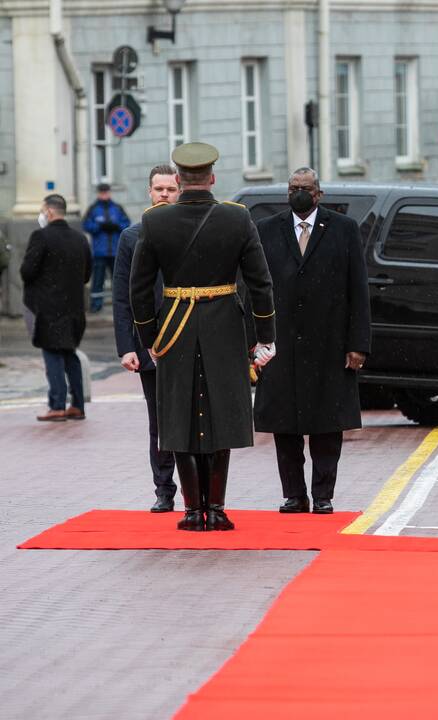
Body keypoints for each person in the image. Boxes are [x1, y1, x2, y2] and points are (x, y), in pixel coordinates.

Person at [130, 142, 276, 531]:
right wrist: (265, 335)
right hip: (225, 325)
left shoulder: (155, 222)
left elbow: (139, 288)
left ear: (178, 180)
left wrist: (148, 336)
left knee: (179, 415)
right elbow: (261, 283)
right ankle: (219, 508)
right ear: (212, 178)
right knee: (222, 414)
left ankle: (194, 510)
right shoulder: (237, 218)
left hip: (174, 326)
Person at [253, 167, 371, 515]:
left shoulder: (343, 229)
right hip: (281, 344)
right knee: (284, 425)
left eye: (304, 188)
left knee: (326, 424)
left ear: (318, 194)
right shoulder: (267, 229)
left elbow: (358, 289)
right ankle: (294, 494)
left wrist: (358, 343)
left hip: (329, 343)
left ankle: (323, 494)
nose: (298, 194)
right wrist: (255, 340)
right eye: (292, 188)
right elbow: (255, 289)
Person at [113, 165, 180, 512]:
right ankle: (163, 489)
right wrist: (127, 346)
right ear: (149, 192)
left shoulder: (192, 232)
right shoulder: (131, 237)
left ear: (180, 191)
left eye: (170, 189)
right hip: (149, 344)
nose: (164, 195)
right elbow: (122, 296)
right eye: (159, 189)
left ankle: (196, 491)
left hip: (188, 342)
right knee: (159, 422)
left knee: (188, 419)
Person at [20, 194, 92, 422]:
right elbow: (87, 274)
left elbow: (27, 271)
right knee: (69, 353)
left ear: (49, 212)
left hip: (48, 308)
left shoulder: (41, 236)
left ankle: (57, 405)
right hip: (74, 308)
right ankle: (78, 405)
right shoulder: (80, 238)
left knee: (52, 354)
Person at [82, 182, 131, 313]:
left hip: (116, 251)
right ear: (98, 193)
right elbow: (86, 225)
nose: (104, 194)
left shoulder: (117, 208)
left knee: (119, 280)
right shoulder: (92, 209)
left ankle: (121, 305)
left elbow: (127, 224)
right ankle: (96, 305)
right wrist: (99, 227)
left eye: (106, 192)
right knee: (98, 280)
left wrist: (117, 226)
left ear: (110, 192)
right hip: (99, 252)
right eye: (102, 192)